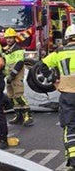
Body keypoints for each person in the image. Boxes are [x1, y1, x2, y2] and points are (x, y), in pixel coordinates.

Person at [39, 24, 75, 169]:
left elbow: (42, 66)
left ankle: (72, 160)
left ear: (67, 38)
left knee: (70, 127)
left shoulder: (60, 52)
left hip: (67, 95)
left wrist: (54, 80)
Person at [3, 28, 34, 126]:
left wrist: (12, 75)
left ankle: (28, 116)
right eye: (7, 38)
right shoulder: (6, 50)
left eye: (11, 38)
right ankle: (18, 116)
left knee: (19, 95)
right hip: (9, 76)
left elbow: (19, 63)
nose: (9, 40)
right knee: (12, 97)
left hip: (16, 76)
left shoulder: (18, 49)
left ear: (14, 38)